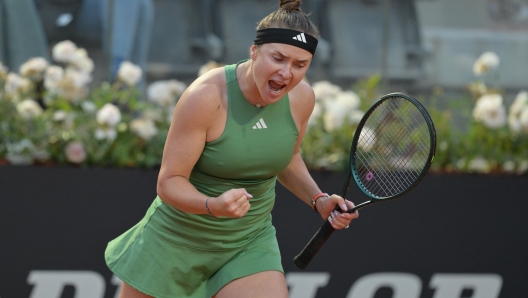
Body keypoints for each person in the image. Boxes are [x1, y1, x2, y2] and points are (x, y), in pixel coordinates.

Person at [104, 0, 359, 297]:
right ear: (253, 52)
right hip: (175, 241)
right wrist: (214, 206)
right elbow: (169, 182)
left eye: (300, 65)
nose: (287, 73)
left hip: (247, 242)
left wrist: (319, 199)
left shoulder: (302, 99)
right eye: (278, 58)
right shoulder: (205, 97)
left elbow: (287, 156)